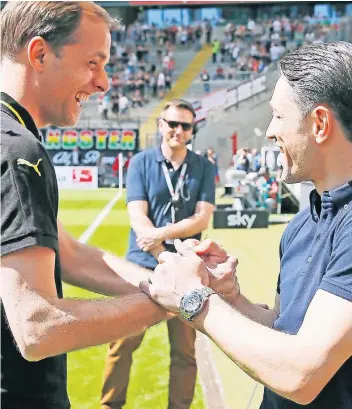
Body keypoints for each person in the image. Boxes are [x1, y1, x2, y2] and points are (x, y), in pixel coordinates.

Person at [1, 4, 235, 409]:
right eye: (92, 63)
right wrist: (178, 298)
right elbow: (36, 326)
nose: (104, 83)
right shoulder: (17, 151)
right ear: (38, 54)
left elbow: (68, 253)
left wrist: (165, 279)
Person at [141, 41, 352, 409]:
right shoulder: (301, 225)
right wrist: (229, 297)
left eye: (278, 116)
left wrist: (195, 300)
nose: (269, 132)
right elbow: (283, 330)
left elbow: (301, 375)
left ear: (319, 124)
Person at [101, 99, 216, 409]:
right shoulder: (140, 162)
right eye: (172, 124)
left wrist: (161, 239)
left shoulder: (204, 167)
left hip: (187, 271)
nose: (178, 130)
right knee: (122, 343)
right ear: (160, 125)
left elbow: (202, 218)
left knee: (184, 351)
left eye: (185, 126)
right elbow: (137, 217)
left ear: (192, 131)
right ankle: (110, 405)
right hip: (142, 268)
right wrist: (158, 250)